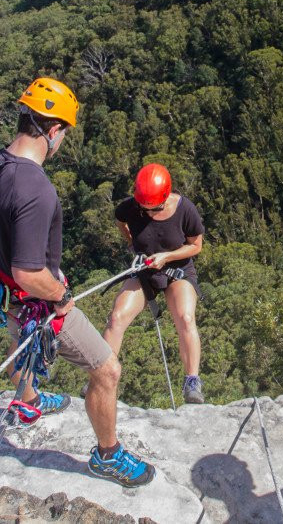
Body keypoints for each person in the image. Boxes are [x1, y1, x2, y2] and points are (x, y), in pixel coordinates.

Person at [0, 77, 155, 487]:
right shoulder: (36, 188)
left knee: (18, 337)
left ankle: (28, 402)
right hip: (34, 295)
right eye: (64, 135)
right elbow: (29, 272)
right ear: (53, 131)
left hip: (2, 287)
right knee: (107, 369)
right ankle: (107, 456)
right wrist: (61, 296)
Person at [102, 163, 207, 404]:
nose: (148, 213)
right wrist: (132, 245)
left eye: (154, 208)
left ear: (166, 196)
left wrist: (166, 257)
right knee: (117, 317)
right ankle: (102, 376)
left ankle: (192, 380)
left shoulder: (185, 209)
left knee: (186, 318)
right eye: (144, 208)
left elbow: (196, 246)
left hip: (177, 270)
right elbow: (121, 222)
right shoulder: (130, 207)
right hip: (144, 272)